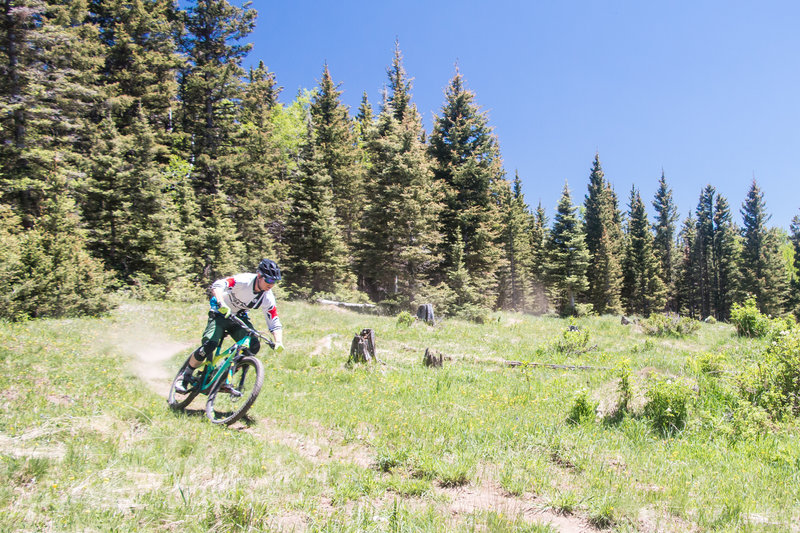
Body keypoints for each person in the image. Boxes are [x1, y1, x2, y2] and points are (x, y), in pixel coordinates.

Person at [175, 258, 284, 393]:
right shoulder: (243, 280)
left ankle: (222, 375)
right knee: (210, 344)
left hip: (239, 317)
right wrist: (222, 303)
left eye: (275, 282)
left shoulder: (268, 297)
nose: (271, 284)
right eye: (269, 280)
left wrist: (278, 341)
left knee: (253, 345)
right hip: (220, 312)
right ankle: (185, 376)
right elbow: (218, 285)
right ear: (259, 275)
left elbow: (274, 319)